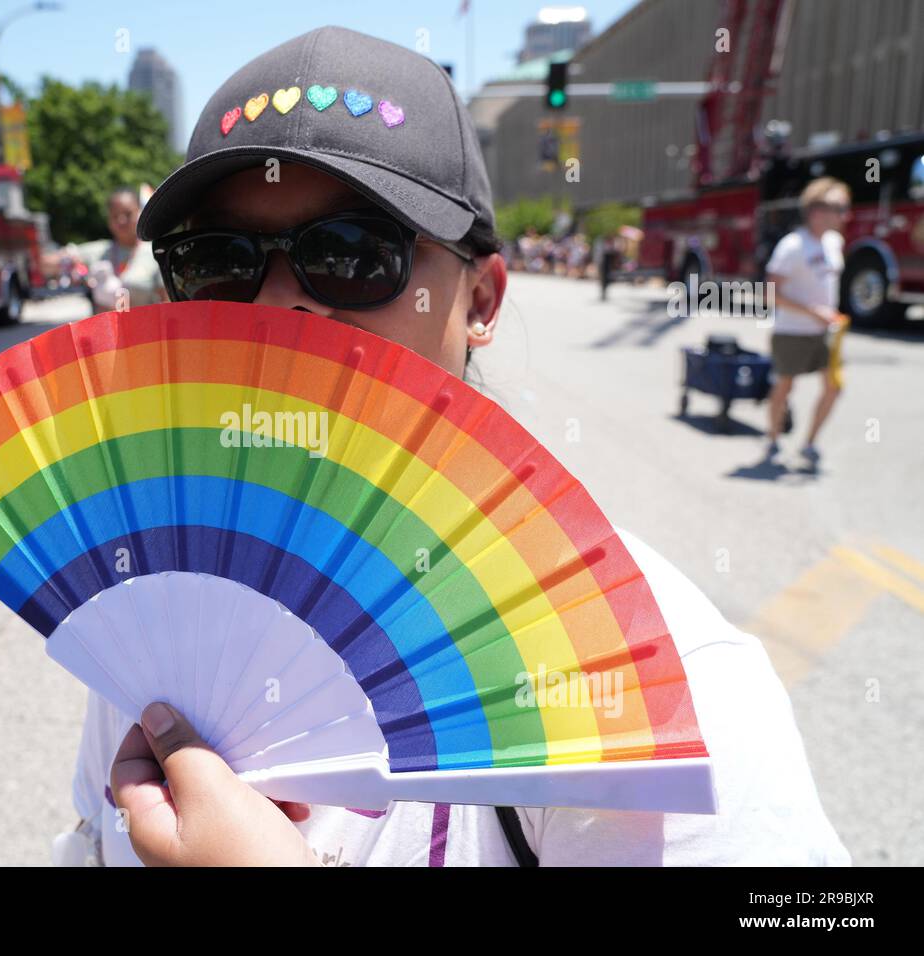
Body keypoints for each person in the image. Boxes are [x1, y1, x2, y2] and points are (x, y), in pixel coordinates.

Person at [56, 26, 848, 867]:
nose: (278, 307)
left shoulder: (667, 680)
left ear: (482, 299)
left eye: (352, 253)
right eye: (216, 261)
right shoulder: (151, 609)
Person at [763, 177, 851, 468]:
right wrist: (811, 312)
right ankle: (773, 439)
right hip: (792, 330)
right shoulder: (793, 246)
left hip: (825, 332)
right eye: (839, 207)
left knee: (834, 387)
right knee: (785, 388)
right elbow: (770, 294)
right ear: (816, 211)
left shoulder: (834, 243)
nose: (844, 215)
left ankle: (810, 443)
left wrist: (828, 315)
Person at [63, 187, 166, 311]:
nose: (121, 220)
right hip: (104, 328)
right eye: (115, 216)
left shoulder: (154, 252)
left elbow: (166, 301)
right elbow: (58, 259)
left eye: (128, 214)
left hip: (143, 327)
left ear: (140, 212)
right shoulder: (98, 251)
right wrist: (76, 270)